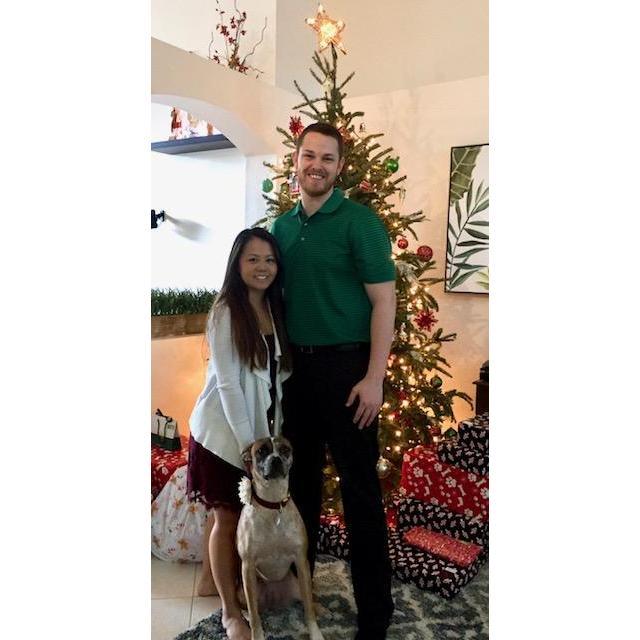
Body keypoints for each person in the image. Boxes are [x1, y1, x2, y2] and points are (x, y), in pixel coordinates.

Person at [271, 122, 396, 640]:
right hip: (296, 375)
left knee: (360, 492)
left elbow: (385, 300)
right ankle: (304, 595)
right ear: (296, 161)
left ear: (340, 167)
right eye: (309, 155)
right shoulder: (280, 228)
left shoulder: (360, 223)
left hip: (349, 373)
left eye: (327, 158)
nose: (316, 165)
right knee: (299, 492)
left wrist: (374, 378)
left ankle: (375, 614)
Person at [187, 228, 292, 640]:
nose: (263, 267)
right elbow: (230, 385)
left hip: (258, 435)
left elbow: (274, 378)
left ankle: (224, 584)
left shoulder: (273, 307)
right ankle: (230, 613)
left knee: (244, 516)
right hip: (222, 435)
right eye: (253, 259)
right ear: (236, 264)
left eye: (269, 259)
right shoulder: (226, 311)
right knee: (227, 518)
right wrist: (250, 447)